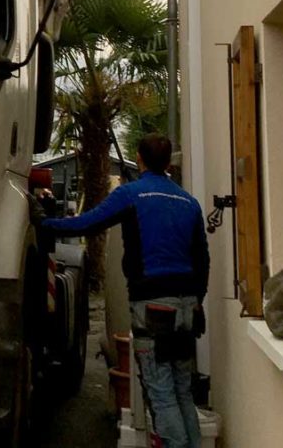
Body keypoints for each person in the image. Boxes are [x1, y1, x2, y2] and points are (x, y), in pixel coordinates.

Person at [34, 134, 209, 448]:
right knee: (183, 391)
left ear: (139, 159)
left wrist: (44, 223)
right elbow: (202, 260)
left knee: (161, 393)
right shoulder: (189, 202)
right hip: (188, 308)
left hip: (153, 308)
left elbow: (87, 223)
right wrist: (197, 301)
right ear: (169, 162)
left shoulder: (132, 194)